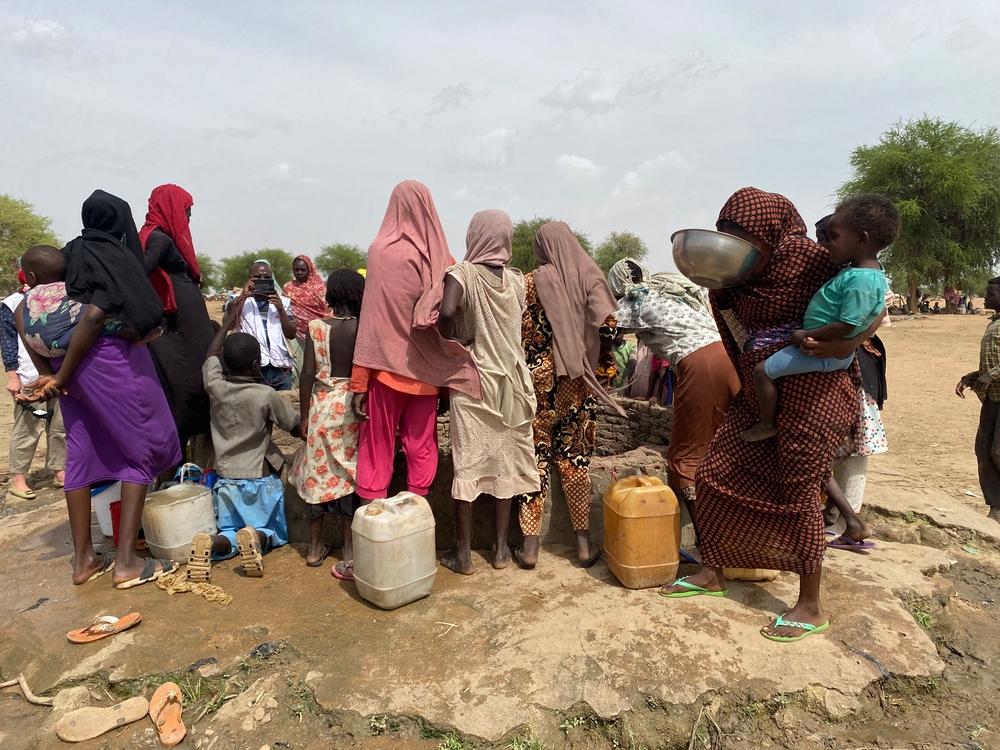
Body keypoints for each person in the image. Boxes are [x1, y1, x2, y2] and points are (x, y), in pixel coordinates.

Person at [660, 187, 882, 644]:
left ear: (772, 233)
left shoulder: (814, 260)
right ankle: (713, 571)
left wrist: (847, 343)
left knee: (799, 490)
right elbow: (735, 332)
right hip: (762, 388)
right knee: (716, 471)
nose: (729, 243)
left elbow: (869, 303)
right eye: (723, 233)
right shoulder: (735, 278)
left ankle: (810, 604)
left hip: (815, 388)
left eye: (740, 235)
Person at [18, 193, 181, 589]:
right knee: (140, 447)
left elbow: (26, 313)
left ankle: (84, 559)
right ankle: (126, 562)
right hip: (111, 363)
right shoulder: (117, 255)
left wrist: (51, 373)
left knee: (83, 452)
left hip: (65, 368)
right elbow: (110, 314)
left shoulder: (68, 253)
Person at [350, 181, 480, 503]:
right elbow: (451, 321)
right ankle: (416, 513)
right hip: (427, 377)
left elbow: (372, 323)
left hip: (385, 374)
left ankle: (374, 517)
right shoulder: (443, 257)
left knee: (377, 444)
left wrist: (358, 384)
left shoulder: (380, 253)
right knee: (421, 445)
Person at [741, 195, 899, 443]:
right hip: (834, 351)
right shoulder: (865, 272)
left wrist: (809, 336)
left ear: (861, 239)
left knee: (762, 372)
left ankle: (766, 424)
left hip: (824, 352)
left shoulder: (858, 279)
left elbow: (850, 322)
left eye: (832, 237)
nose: (825, 245)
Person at [514, 221, 624, 570]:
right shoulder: (589, 275)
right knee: (575, 458)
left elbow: (522, 331)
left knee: (535, 458)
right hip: (578, 381)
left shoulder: (531, 282)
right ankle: (582, 543)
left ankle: (530, 547)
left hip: (537, 383)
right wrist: (595, 355)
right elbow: (609, 326)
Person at [437, 209, 540, 575]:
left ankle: (463, 556)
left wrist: (453, 342)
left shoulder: (461, 274)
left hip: (474, 381)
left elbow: (446, 312)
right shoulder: (516, 280)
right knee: (506, 467)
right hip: (513, 384)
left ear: (474, 235)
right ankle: (499, 550)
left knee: (468, 466)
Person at [608, 258, 740, 511]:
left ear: (617, 282)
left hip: (701, 365)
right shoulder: (670, 291)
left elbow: (604, 331)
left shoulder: (635, 300)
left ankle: (705, 538)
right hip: (728, 358)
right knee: (722, 442)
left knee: (684, 455)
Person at [188, 308, 301, 581]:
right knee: (270, 530)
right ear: (256, 365)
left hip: (226, 480)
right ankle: (257, 538)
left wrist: (226, 323)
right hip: (260, 478)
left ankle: (214, 544)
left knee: (229, 529)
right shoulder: (266, 395)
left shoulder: (216, 388)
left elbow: (209, 357)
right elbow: (295, 426)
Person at [288, 270, 366, 574]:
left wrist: (305, 415)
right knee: (349, 477)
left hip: (322, 408)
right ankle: (348, 547)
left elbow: (307, 374)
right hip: (351, 410)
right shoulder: (362, 328)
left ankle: (315, 547)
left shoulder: (316, 327)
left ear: (330, 294)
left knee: (318, 477)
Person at [139, 184, 215, 452]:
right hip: (180, 318)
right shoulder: (159, 239)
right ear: (170, 209)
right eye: (186, 212)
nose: (188, 218)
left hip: (179, 314)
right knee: (192, 370)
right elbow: (141, 272)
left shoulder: (153, 237)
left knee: (187, 369)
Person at [3, 262, 65, 498]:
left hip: (57, 373)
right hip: (28, 375)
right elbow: (8, 341)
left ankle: (59, 470)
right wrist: (12, 376)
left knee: (60, 427)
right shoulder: (11, 304)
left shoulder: (57, 299)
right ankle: (17, 478)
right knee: (28, 428)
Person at [956, 277, 1000, 524]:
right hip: (992, 399)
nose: (985, 298)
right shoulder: (993, 324)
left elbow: (993, 369)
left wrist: (991, 374)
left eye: (991, 294)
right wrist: (970, 377)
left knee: (998, 451)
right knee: (984, 451)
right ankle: (996, 506)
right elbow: (991, 363)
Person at [230, 260, 297, 390]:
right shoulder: (239, 300)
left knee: (280, 408)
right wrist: (242, 298)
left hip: (281, 368)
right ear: (249, 278)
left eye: (266, 278)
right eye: (257, 277)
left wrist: (281, 310)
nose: (261, 280)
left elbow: (291, 334)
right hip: (254, 369)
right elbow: (228, 324)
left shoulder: (283, 302)